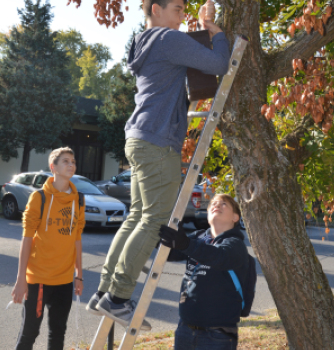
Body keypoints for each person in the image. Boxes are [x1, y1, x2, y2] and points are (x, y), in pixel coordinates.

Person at [86, 0, 230, 330]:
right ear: (156, 9)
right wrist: (214, 30)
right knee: (154, 219)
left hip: (138, 136)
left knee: (137, 215)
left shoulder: (145, 41)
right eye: (177, 8)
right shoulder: (168, 38)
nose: (182, 15)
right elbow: (219, 62)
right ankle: (118, 298)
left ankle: (105, 291)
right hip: (158, 140)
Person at [11, 147, 85, 350]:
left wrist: (79, 275)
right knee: (30, 333)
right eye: (66, 161)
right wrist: (20, 280)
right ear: (53, 167)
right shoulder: (39, 198)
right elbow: (26, 239)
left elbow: (77, 239)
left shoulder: (79, 200)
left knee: (58, 332)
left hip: (64, 280)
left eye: (73, 161)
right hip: (38, 280)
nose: (71, 165)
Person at [159, 194, 249, 350]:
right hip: (185, 329)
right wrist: (160, 237)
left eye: (224, 204)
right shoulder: (199, 237)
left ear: (236, 217)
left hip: (217, 336)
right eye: (213, 203)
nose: (216, 205)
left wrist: (186, 243)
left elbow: (219, 257)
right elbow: (172, 253)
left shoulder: (235, 243)